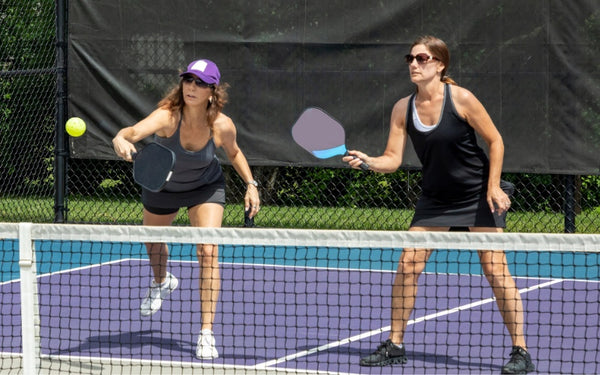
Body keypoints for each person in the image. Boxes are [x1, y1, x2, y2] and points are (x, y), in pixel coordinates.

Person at [343, 36, 534, 374]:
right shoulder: (403, 107)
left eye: (422, 58)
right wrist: (370, 161)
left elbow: (495, 140)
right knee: (408, 263)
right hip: (435, 198)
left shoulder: (461, 99)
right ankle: (396, 344)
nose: (414, 64)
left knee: (495, 269)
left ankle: (520, 350)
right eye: (410, 59)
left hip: (477, 194)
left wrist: (492, 186)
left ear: (440, 64)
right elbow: (392, 159)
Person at [112, 59, 260, 360]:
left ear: (212, 91)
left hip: (205, 187)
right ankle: (161, 281)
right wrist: (120, 138)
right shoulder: (167, 117)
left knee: (208, 250)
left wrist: (251, 184)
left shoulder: (221, 125)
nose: (192, 87)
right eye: (188, 80)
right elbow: (133, 131)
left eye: (200, 83)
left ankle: (206, 332)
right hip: (162, 187)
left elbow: (233, 152)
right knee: (152, 241)